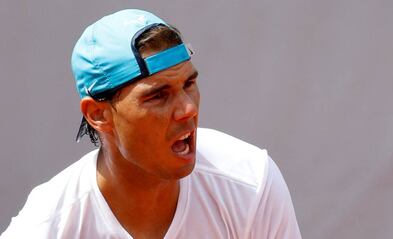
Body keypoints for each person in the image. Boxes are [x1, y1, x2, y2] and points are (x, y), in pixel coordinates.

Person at [1, 9, 301, 239]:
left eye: (189, 84)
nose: (187, 109)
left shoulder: (250, 182)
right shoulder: (46, 226)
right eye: (158, 95)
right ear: (98, 114)